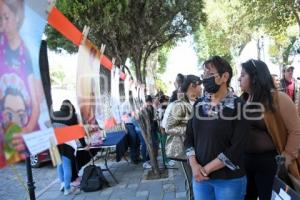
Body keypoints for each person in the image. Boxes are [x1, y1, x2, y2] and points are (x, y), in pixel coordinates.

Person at [185, 56, 249, 200]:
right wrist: (194, 165)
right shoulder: (198, 104)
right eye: (204, 75)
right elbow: (188, 137)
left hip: (229, 181)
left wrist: (205, 170)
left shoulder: (239, 107)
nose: (204, 79)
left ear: (224, 76)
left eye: (209, 74)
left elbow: (236, 148)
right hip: (201, 180)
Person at [239, 59, 300, 200]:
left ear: (255, 77)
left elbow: (296, 131)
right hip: (246, 162)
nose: (239, 78)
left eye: (243, 75)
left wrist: (286, 157)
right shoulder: (242, 100)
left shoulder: (279, 99)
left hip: (270, 163)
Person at [0, 0, 40, 164]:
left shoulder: (25, 53)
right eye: (0, 18)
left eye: (6, 17)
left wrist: (27, 130)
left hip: (24, 128)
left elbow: (36, 105)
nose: (3, 23)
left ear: (17, 17)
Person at [165, 75, 202, 200]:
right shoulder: (179, 105)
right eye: (199, 85)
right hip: (182, 151)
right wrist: (189, 130)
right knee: (191, 183)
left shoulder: (200, 102)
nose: (202, 88)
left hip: (198, 150)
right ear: (193, 85)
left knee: (198, 182)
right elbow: (168, 127)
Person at [51, 100, 86, 195]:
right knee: (67, 165)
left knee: (59, 164)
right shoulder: (72, 116)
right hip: (67, 144)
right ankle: (67, 189)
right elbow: (79, 132)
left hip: (55, 143)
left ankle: (62, 184)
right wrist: (84, 145)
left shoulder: (53, 114)